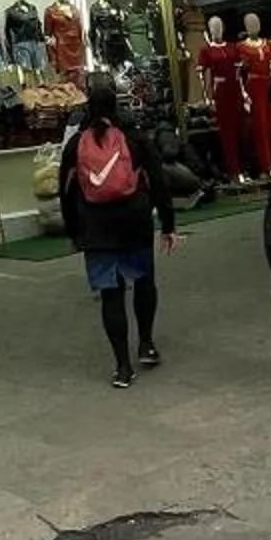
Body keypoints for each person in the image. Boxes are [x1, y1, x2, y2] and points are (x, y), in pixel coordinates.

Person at [58, 79, 177, 390]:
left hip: (96, 229)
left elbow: (66, 192)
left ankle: (122, 366)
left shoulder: (76, 145)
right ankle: (147, 344)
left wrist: (74, 231)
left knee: (111, 295)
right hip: (134, 222)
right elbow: (158, 182)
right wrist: (168, 224)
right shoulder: (134, 138)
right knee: (143, 282)